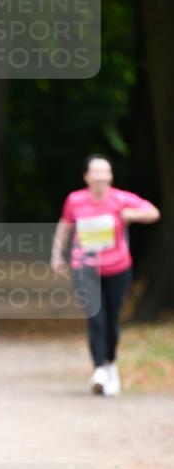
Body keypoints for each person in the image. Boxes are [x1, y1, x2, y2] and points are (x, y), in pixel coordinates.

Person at [51, 155, 160, 396]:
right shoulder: (75, 200)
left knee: (111, 319)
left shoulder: (120, 199)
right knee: (96, 317)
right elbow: (65, 226)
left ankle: (111, 364)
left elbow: (153, 212)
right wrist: (56, 255)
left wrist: (131, 215)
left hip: (118, 267)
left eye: (105, 172)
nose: (101, 176)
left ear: (110, 176)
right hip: (85, 267)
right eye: (96, 172)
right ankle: (99, 368)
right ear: (86, 176)